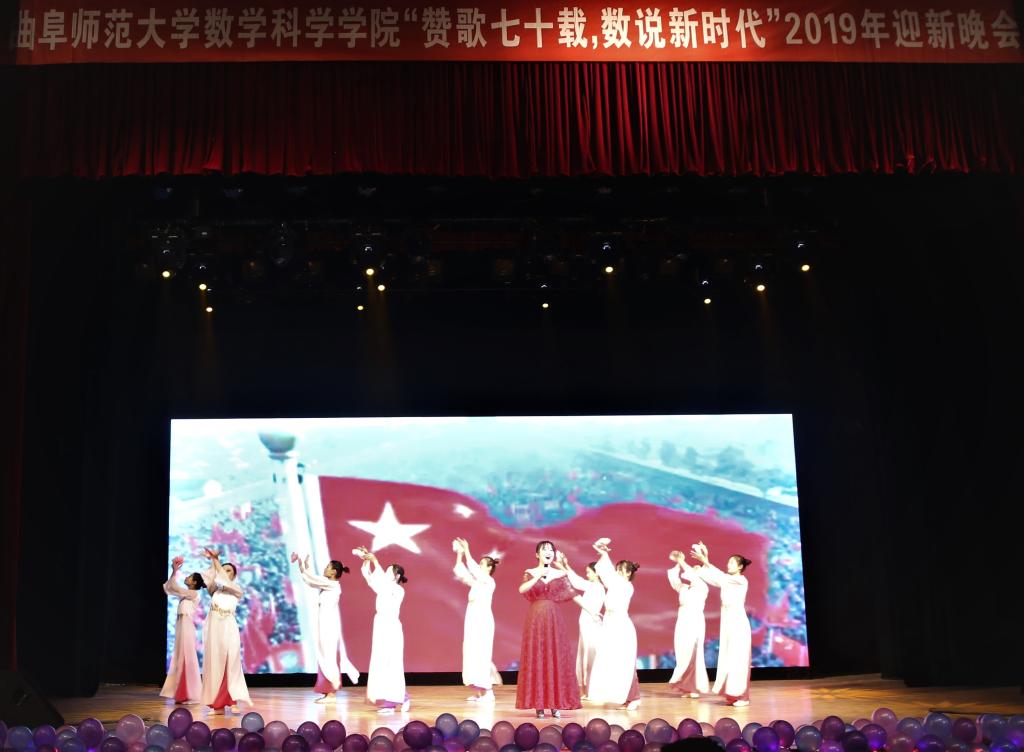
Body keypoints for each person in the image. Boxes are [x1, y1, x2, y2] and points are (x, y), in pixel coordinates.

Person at [515, 540, 582, 719]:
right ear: (537, 554)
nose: (548, 552)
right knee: (537, 657)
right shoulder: (530, 572)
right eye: (544, 550)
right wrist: (537, 576)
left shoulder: (560, 574)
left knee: (555, 657)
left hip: (554, 619)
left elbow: (573, 593)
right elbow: (522, 589)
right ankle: (539, 705)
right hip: (535, 620)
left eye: (551, 550)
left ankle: (555, 704)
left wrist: (591, 610)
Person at [689, 541, 752, 707]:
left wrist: (706, 561)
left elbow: (721, 577)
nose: (728, 564)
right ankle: (732, 694)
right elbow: (715, 578)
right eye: (728, 562)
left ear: (740, 567)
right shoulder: (728, 580)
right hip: (728, 622)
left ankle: (743, 697)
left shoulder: (741, 580)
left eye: (731, 562)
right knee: (728, 657)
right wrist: (704, 561)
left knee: (738, 658)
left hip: (738, 623)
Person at [292, 552, 360, 703]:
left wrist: (302, 563)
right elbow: (311, 581)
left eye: (328, 567)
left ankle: (332, 692)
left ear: (334, 572)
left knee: (328, 656)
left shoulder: (332, 584)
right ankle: (328, 691)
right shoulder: (328, 584)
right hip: (324, 623)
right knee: (324, 656)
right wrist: (303, 564)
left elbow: (311, 579)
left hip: (328, 625)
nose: (325, 569)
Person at [584, 538, 641, 709]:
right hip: (611, 625)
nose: (616, 572)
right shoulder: (615, 584)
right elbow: (607, 575)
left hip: (621, 626)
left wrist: (605, 554)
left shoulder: (626, 586)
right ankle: (624, 697)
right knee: (613, 663)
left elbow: (608, 575)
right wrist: (603, 553)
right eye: (616, 569)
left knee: (625, 662)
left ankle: (634, 697)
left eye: (619, 570)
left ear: (628, 573)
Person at [356, 545, 410, 713]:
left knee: (391, 662)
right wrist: (366, 560)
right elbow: (370, 578)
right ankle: (398, 697)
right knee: (380, 661)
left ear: (397, 576)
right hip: (380, 624)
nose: (385, 574)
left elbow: (383, 583)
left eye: (388, 572)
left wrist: (375, 562)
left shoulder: (398, 590)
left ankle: (395, 700)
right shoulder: (383, 586)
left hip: (391, 627)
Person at [199, 548, 252, 713]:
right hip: (214, 630)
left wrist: (216, 560)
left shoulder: (236, 589)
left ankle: (232, 700)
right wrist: (212, 561)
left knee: (230, 662)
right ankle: (217, 703)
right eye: (223, 570)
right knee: (215, 663)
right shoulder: (214, 590)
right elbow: (210, 577)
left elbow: (224, 580)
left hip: (228, 628)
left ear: (234, 575)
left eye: (229, 570)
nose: (224, 572)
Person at [452, 537, 501, 702]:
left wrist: (467, 550)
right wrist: (460, 554)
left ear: (489, 568)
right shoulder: (478, 582)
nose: (479, 566)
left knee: (481, 653)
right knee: (471, 651)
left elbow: (473, 569)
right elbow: (462, 573)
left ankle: (488, 692)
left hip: (482, 620)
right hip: (472, 618)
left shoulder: (489, 581)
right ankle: (479, 691)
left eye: (482, 564)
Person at [557, 554, 604, 699]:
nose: (587, 575)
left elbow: (577, 582)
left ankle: (590, 689)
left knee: (590, 655)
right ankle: (585, 689)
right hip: (586, 621)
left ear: (597, 573)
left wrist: (563, 567)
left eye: (589, 572)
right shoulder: (592, 586)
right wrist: (565, 565)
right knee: (584, 654)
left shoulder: (597, 587)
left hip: (591, 622)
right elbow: (578, 581)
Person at [160, 557, 204, 704]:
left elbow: (174, 588)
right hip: (181, 624)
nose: (187, 577)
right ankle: (181, 691)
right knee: (180, 656)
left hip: (186, 625)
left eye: (190, 577)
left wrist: (175, 571)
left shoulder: (193, 594)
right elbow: (169, 588)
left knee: (186, 656)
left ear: (195, 583)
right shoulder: (185, 595)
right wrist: (174, 572)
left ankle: (189, 692)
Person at [667, 550, 710, 698]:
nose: (694, 569)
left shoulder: (702, 587)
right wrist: (677, 563)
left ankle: (695, 687)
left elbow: (692, 575)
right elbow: (674, 580)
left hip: (694, 621)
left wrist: (681, 560)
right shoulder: (685, 588)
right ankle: (687, 686)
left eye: (697, 569)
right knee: (682, 652)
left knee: (693, 652)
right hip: (683, 620)